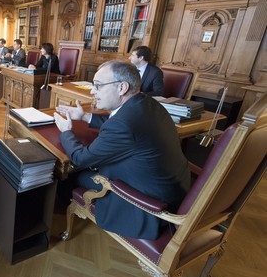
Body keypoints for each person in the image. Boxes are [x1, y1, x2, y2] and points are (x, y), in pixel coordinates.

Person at [53, 60, 190, 240]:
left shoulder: (123, 124)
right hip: (173, 188)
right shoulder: (146, 102)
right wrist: (85, 116)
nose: (93, 91)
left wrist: (66, 131)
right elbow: (123, 125)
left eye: (98, 86)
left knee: (72, 174)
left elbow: (81, 158)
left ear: (122, 88)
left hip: (148, 205)